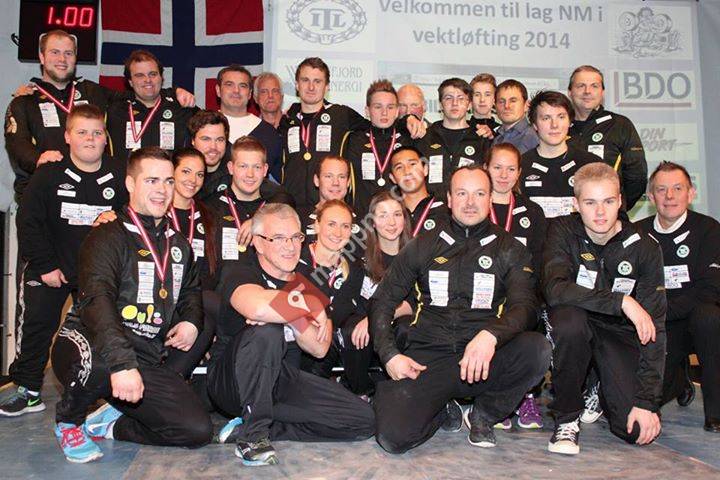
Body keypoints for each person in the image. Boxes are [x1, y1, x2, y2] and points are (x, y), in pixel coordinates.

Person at [371, 164, 551, 453]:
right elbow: (383, 300)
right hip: (429, 357)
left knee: (537, 348)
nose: (470, 202)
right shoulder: (422, 245)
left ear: (490, 198)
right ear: (449, 199)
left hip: (484, 358)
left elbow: (526, 306)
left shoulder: (510, 248)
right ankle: (443, 407)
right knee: (393, 438)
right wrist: (389, 355)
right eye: (462, 193)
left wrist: (491, 335)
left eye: (479, 193)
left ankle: (484, 414)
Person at [49, 147, 212, 463]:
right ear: (130, 184)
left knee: (196, 430)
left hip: (144, 355)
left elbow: (192, 290)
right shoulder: (107, 235)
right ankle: (70, 421)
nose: (162, 190)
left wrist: (192, 320)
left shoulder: (178, 244)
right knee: (97, 364)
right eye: (151, 180)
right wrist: (122, 364)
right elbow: (97, 302)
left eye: (168, 181)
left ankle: (112, 423)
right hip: (91, 342)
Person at [207, 203, 375, 466]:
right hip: (233, 382)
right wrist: (306, 306)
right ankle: (252, 438)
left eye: (296, 237)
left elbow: (319, 348)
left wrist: (292, 313)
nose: (290, 246)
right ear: (259, 243)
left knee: (363, 421)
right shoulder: (242, 271)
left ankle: (259, 428)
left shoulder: (305, 283)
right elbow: (257, 307)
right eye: (279, 238)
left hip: (281, 381)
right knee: (267, 331)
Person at [0, 105, 127, 417]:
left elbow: (133, 217)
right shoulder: (48, 173)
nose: (90, 139)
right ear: (68, 136)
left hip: (96, 272)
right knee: (36, 325)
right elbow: (28, 221)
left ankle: (103, 391)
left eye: (97, 133)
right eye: (82, 132)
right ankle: (29, 390)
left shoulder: (120, 174)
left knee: (104, 329)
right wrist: (45, 266)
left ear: (105, 138)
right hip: (51, 266)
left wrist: (118, 219)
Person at [542, 162, 666, 455]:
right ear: (576, 204)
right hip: (576, 323)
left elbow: (655, 327)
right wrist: (621, 301)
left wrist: (646, 402)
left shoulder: (645, 247)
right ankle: (567, 418)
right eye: (590, 203)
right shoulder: (561, 231)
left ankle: (598, 385)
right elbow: (555, 289)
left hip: (618, 334)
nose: (600, 212)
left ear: (620, 201)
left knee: (635, 431)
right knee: (569, 322)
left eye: (608, 201)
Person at [3, 29, 192, 200]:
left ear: (75, 57)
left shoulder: (92, 92)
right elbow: (16, 144)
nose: (62, 59)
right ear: (42, 57)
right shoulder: (24, 101)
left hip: (90, 191)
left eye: (68, 53)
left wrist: (173, 92)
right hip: (45, 192)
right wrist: (37, 159)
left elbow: (140, 92)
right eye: (55, 52)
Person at [637, 162, 720, 433]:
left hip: (695, 321)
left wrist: (663, 312)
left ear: (691, 193)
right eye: (661, 190)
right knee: (644, 399)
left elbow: (710, 288)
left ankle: (715, 413)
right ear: (651, 197)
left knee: (709, 317)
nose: (669, 196)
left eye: (677, 188)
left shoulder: (709, 230)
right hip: (658, 325)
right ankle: (680, 381)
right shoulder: (637, 233)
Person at [280, 57, 425, 208]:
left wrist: (407, 119)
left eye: (317, 81)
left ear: (327, 86)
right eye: (305, 80)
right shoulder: (287, 120)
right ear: (296, 84)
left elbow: (378, 123)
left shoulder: (341, 115)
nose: (311, 87)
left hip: (330, 205)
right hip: (292, 207)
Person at [295, 200, 373, 396]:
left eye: (345, 226)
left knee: (354, 329)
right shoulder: (295, 260)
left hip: (332, 344)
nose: (338, 233)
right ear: (316, 226)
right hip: (299, 342)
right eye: (331, 224)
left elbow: (376, 300)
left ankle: (360, 392)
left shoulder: (355, 269)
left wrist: (369, 318)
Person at [567, 65, 647, 211]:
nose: (587, 91)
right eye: (580, 86)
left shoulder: (620, 124)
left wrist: (616, 207)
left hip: (608, 215)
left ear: (602, 92)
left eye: (594, 86)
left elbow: (637, 176)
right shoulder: (558, 127)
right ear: (569, 92)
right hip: (567, 216)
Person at [106, 50, 197, 161]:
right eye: (140, 75)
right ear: (130, 82)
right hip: (127, 172)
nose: (148, 80)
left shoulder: (182, 108)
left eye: (153, 74)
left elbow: (210, 126)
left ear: (161, 77)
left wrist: (174, 91)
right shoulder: (115, 110)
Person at [340, 80, 413, 217]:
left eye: (390, 107)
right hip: (362, 220)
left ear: (397, 111)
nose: (384, 113)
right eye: (378, 107)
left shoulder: (408, 139)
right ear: (367, 111)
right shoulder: (353, 139)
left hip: (397, 220)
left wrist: (410, 118)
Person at [520, 90, 597, 219]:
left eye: (561, 117)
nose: (554, 125)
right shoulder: (520, 166)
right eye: (546, 118)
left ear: (570, 121)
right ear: (534, 125)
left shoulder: (591, 165)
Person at [415, 78, 491, 200]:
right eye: (448, 98)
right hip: (431, 207)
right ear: (440, 104)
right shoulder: (425, 137)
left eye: (461, 98)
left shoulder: (481, 138)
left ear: (469, 105)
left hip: (467, 205)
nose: (455, 103)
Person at [216, 65, 282, 180]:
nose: (236, 91)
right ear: (218, 90)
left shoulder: (269, 133)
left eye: (242, 86)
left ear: (250, 93)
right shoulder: (205, 127)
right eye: (229, 84)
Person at [388, 146, 449, 236]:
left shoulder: (446, 210)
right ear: (393, 178)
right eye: (399, 167)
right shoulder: (388, 212)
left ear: (425, 169)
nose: (407, 171)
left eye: (412, 164)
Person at [296, 155, 354, 241]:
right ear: (317, 180)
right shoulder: (298, 220)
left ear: (348, 182)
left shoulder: (363, 220)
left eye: (341, 177)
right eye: (328, 176)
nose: (335, 183)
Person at [188, 109, 232, 199]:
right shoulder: (178, 169)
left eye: (219, 140)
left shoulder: (236, 173)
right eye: (206, 139)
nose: (213, 147)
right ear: (193, 140)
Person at [492, 79, 539, 154]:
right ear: (495, 106)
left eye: (513, 101)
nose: (507, 106)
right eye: (501, 101)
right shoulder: (497, 137)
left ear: (526, 105)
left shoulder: (532, 138)